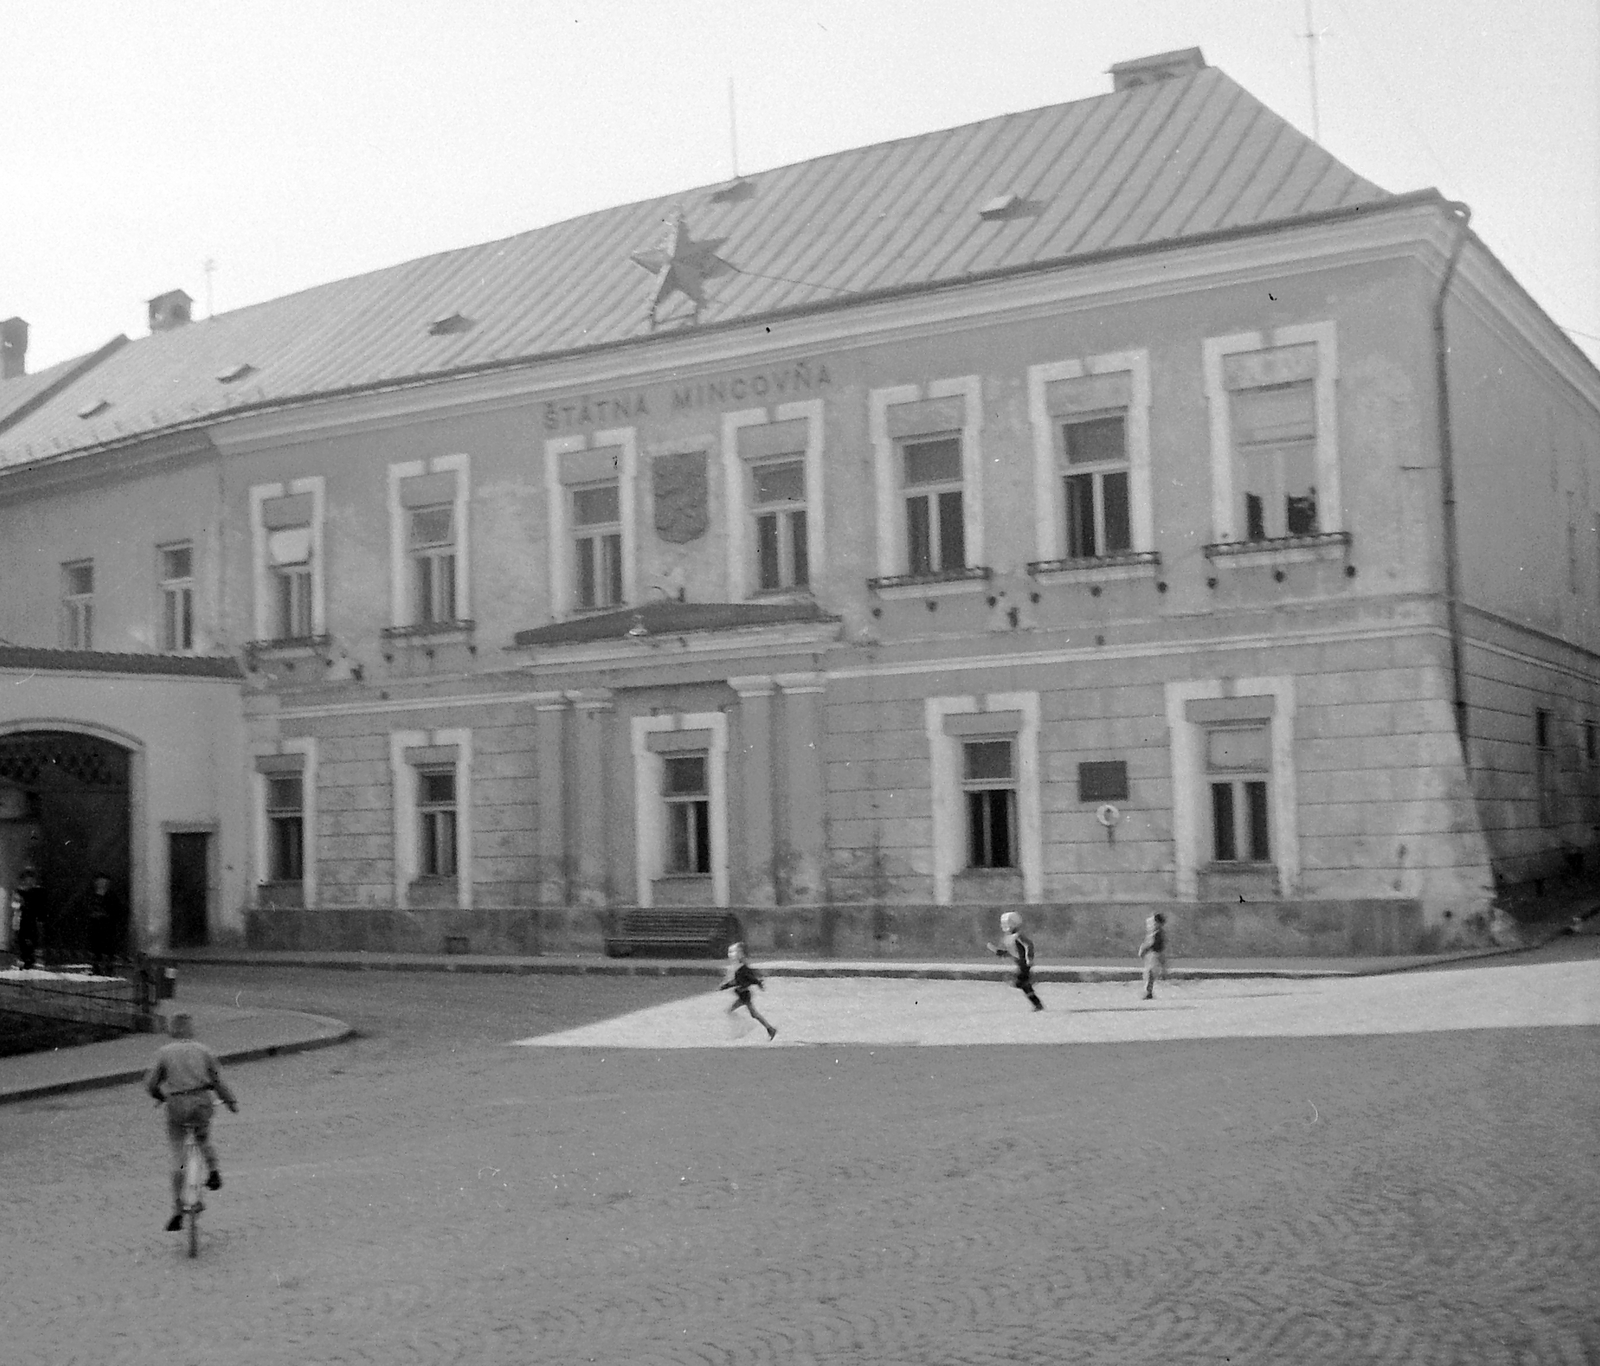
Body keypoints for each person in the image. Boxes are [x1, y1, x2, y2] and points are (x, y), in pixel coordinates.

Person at [145, 1012, 239, 1232]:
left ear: (173, 1031)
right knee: (203, 1137)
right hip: (200, 1103)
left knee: (178, 1154)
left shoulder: (164, 1053)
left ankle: (178, 1210)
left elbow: (150, 1085)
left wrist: (161, 1096)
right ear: (191, 1029)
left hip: (176, 1105)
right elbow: (217, 1081)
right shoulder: (203, 1051)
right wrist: (230, 1102)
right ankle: (214, 1171)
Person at [987, 910, 1044, 1011]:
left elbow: (1028, 945)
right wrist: (1000, 952)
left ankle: (1036, 999)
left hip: (1023, 965)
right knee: (1024, 985)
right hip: (1019, 964)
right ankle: (1037, 1004)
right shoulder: (1009, 938)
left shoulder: (1018, 936)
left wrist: (1029, 958)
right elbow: (1013, 952)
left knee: (1019, 982)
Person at [720, 943, 777, 1040]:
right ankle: (769, 1029)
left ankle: (744, 1027)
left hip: (744, 995)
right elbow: (746, 979)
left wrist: (725, 986)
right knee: (753, 1014)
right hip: (744, 994)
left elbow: (741, 980)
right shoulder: (741, 968)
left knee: (730, 1011)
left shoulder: (742, 969)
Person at [86, 873, 124, 976]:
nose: (101, 883)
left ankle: (109, 968)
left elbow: (117, 911)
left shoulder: (112, 896)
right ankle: (96, 968)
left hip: (108, 927)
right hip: (95, 926)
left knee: (108, 948)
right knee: (95, 948)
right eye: (99, 881)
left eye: (104, 881)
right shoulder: (91, 895)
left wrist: (106, 916)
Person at [10, 866, 45, 970]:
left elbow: (40, 907)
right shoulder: (19, 892)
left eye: (31, 878)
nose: (29, 880)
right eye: (27, 878)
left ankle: (31, 959)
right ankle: (23, 959)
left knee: (33, 939)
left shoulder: (37, 892)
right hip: (22, 919)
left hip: (32, 920)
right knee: (21, 940)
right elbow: (15, 905)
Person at [1138, 912, 1168, 1000]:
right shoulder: (1157, 932)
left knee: (1150, 973)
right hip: (1155, 954)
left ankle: (1148, 992)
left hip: (1154, 954)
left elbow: (1152, 944)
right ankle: (1148, 991)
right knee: (1150, 973)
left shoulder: (1157, 933)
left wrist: (1144, 950)